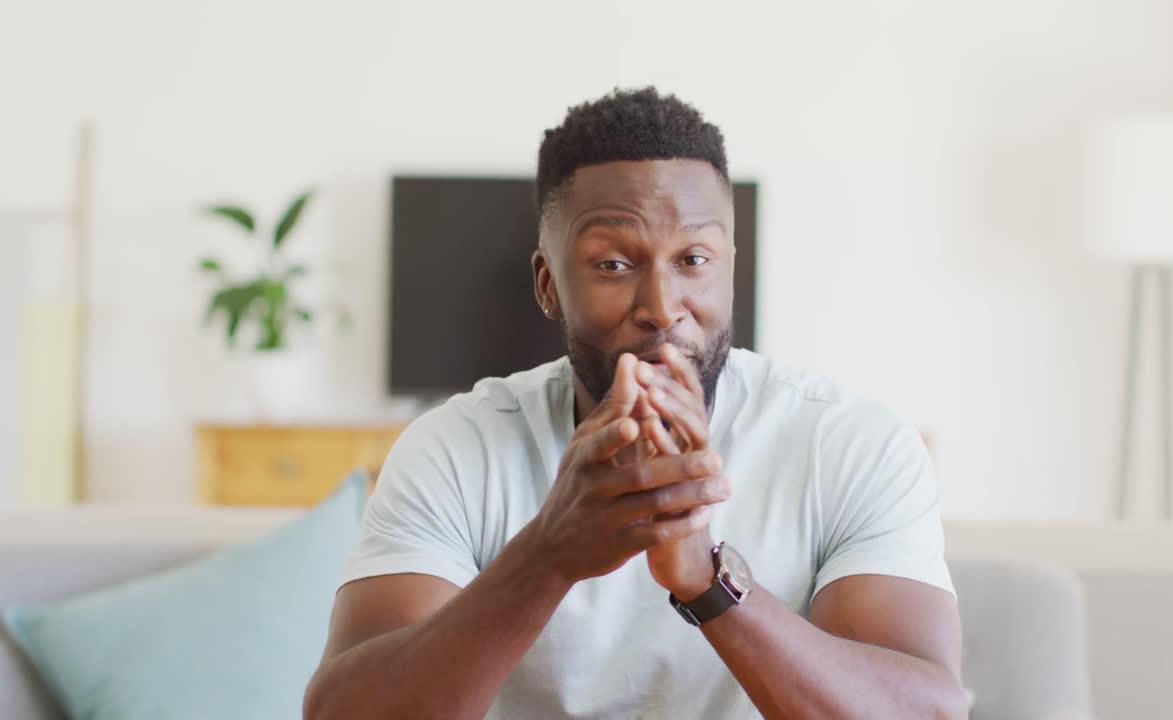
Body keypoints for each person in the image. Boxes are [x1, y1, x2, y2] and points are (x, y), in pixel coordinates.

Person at [304, 87, 966, 719]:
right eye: (613, 265)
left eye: (693, 260)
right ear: (547, 284)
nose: (661, 308)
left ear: (729, 268)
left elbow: (927, 713)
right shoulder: (453, 450)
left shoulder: (849, 445)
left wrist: (707, 581)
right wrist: (548, 555)